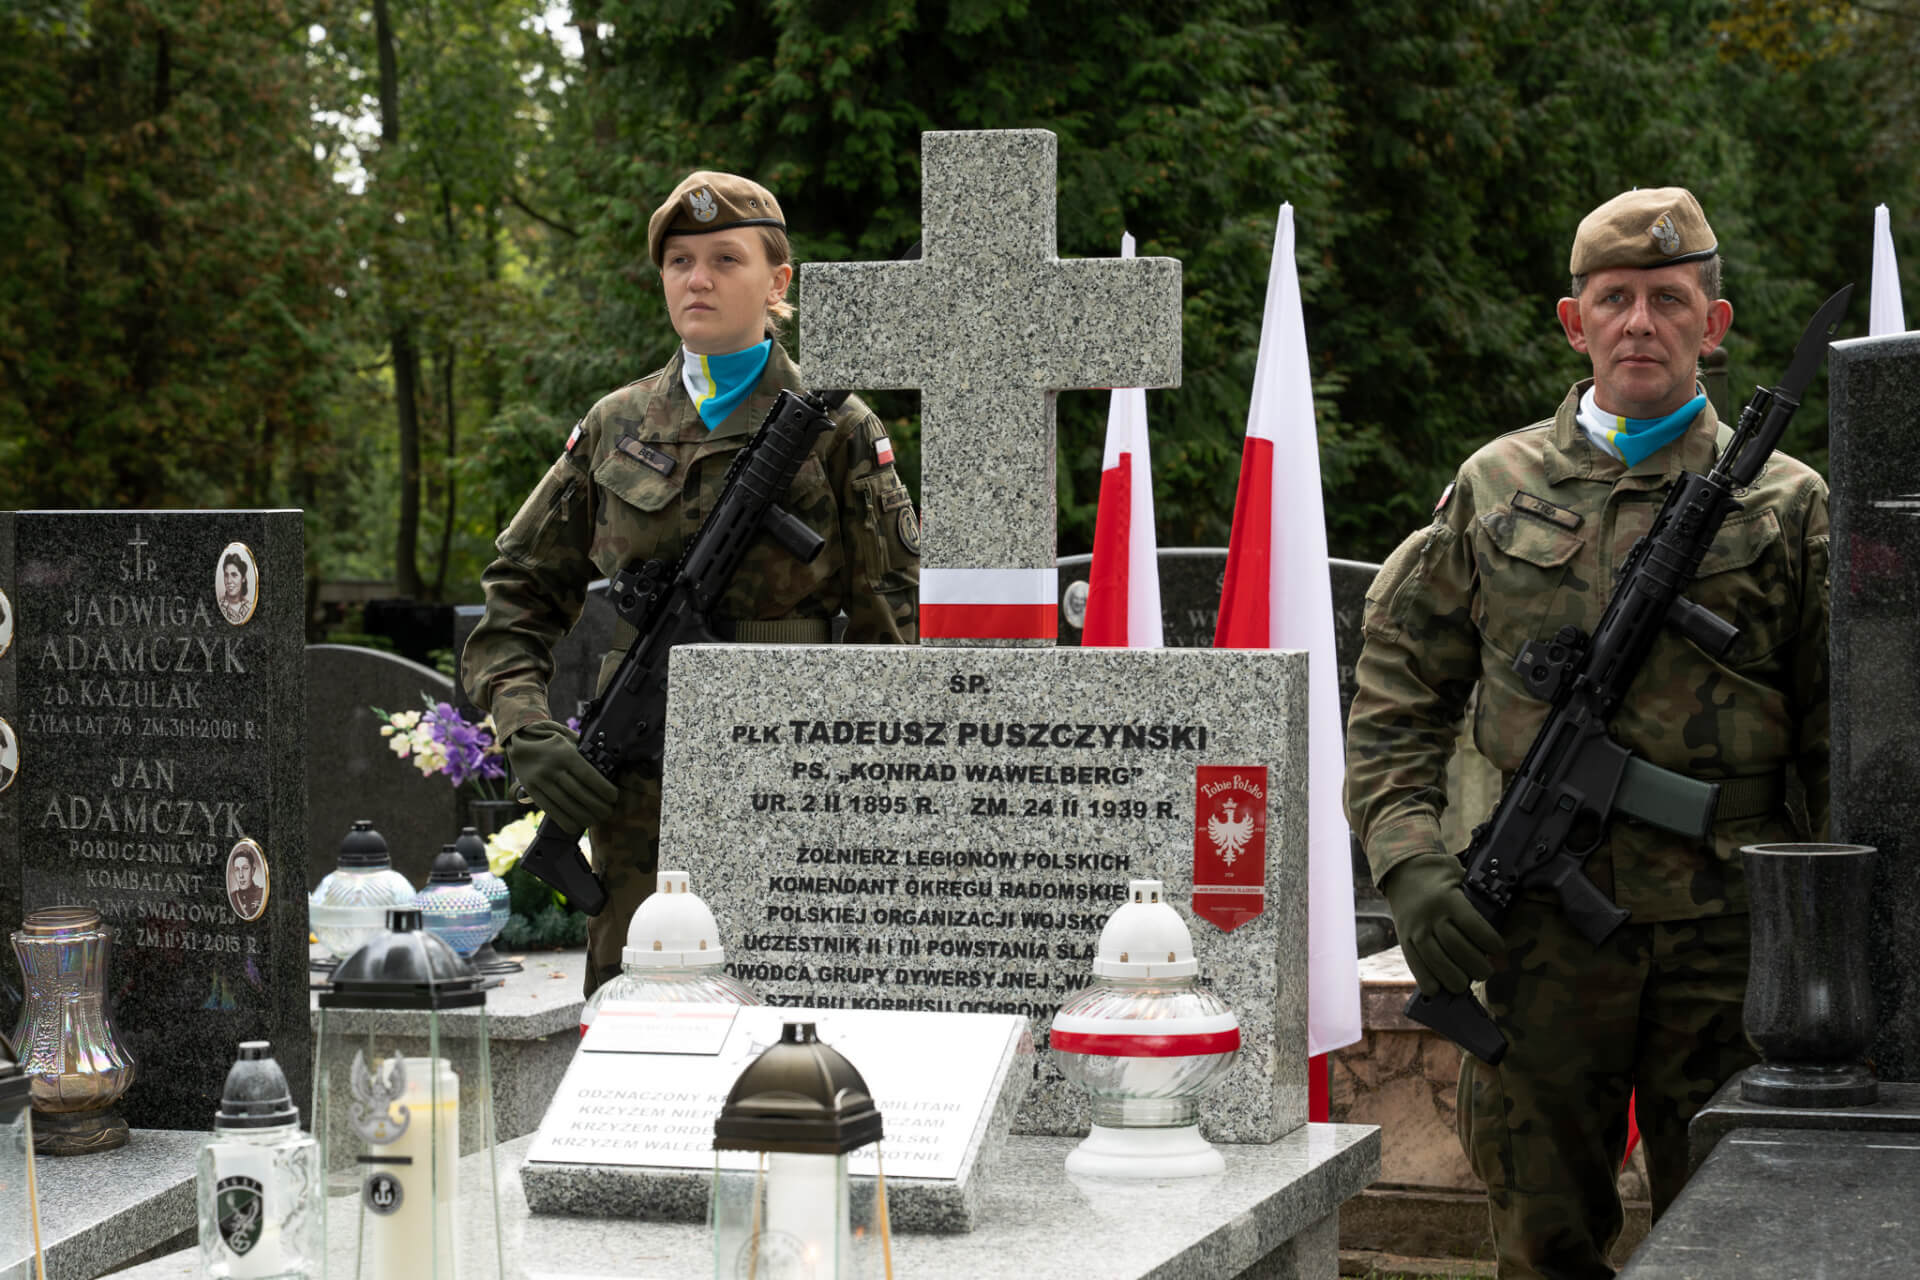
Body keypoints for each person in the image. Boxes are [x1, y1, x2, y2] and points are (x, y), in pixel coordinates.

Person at [1345, 187, 1829, 1279]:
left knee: (1745, 1241)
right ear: (1576, 322)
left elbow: (1843, 735)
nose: (1640, 321)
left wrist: (1846, 950)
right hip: (1544, 944)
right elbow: (1395, 695)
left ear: (1716, 322)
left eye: (1670, 298)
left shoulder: (1790, 506)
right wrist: (1412, 863)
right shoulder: (1495, 485)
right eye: (1614, 298)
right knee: (1540, 1243)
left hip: (1733, 943)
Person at [462, 170, 920, 996]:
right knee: (638, 1009)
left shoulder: (837, 428)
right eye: (679, 261)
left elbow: (894, 626)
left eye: (724, 258)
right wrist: (526, 729)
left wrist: (872, 790)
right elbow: (516, 599)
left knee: (800, 1013)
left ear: (778, 282)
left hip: (798, 771)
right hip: (640, 784)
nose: (697, 279)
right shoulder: (617, 423)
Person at [219, 551, 252, 625]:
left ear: (243, 578)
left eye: (234, 575)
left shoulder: (249, 606)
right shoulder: (220, 605)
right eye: (226, 575)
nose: (229, 581)